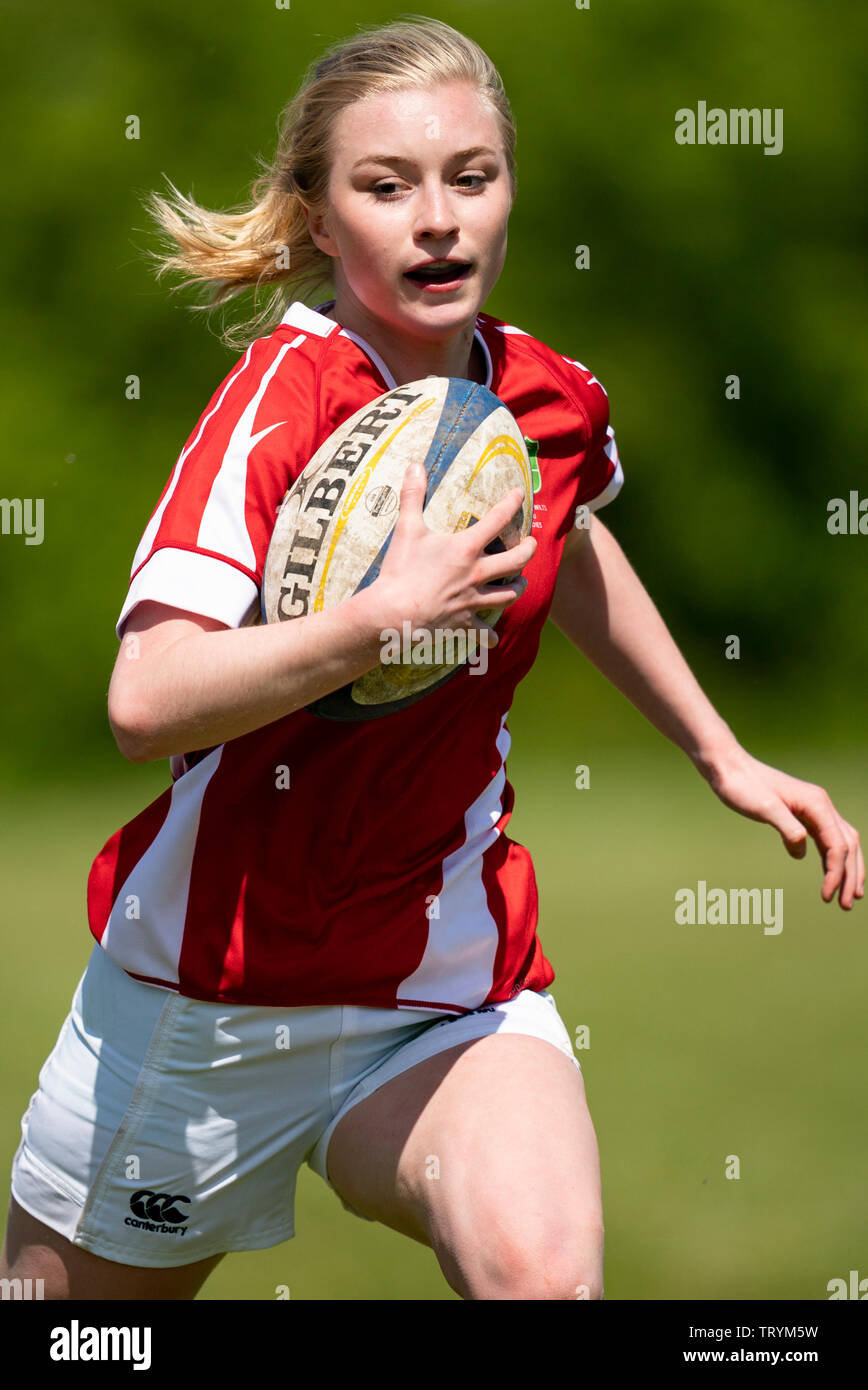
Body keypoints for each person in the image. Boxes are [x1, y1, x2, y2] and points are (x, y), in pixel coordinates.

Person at [1, 15, 862, 1303]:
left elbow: (567, 548)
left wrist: (720, 750)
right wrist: (374, 616)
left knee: (540, 1274)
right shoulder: (275, 406)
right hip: (208, 1002)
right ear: (317, 215)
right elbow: (145, 701)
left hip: (445, 983)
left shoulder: (547, 396)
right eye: (387, 187)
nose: (439, 220)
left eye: (473, 175)